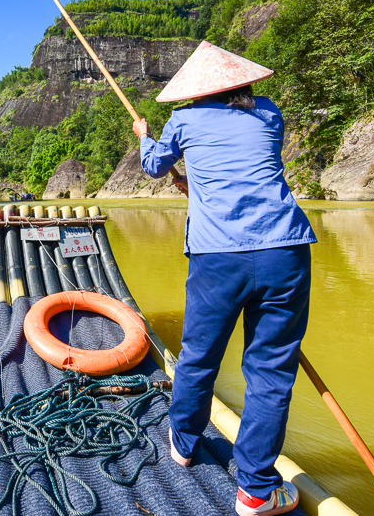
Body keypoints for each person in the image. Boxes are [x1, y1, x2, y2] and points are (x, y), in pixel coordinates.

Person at [132, 41, 316, 516]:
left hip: (218, 258)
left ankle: (184, 442)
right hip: (284, 252)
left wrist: (143, 135)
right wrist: (194, 180)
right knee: (272, 372)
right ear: (245, 82)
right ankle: (256, 489)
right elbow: (244, 167)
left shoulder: (185, 121)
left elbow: (154, 166)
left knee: (198, 355)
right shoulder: (270, 114)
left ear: (194, 91)